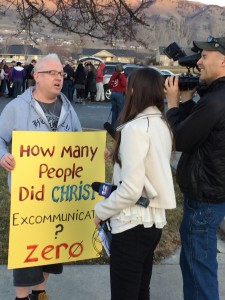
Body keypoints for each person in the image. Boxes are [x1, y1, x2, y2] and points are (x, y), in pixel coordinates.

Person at [0, 53, 82, 300]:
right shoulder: (16, 107)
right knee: (27, 249)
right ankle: (22, 297)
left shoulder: (68, 107)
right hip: (28, 195)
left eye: (61, 74)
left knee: (51, 249)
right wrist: (3, 156)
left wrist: (96, 152)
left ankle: (40, 293)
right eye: (53, 73)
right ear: (37, 76)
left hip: (58, 194)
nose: (59, 78)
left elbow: (79, 142)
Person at [94, 67, 176, 300]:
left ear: (133, 90)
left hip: (131, 223)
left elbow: (130, 189)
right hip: (153, 223)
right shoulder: (162, 124)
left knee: (125, 293)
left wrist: (100, 211)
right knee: (141, 290)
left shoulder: (135, 128)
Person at [165, 36, 225, 300]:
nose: (199, 62)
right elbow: (202, 132)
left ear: (222, 61)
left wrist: (173, 105)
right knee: (194, 265)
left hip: (204, 200)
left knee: (198, 271)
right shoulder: (215, 98)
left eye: (205, 56)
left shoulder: (216, 101)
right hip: (212, 195)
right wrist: (189, 103)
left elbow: (181, 138)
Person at [108, 64, 127, 129]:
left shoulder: (113, 75)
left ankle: (113, 125)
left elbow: (109, 84)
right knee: (120, 111)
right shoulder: (122, 76)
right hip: (119, 94)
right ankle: (119, 126)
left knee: (114, 110)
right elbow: (124, 84)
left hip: (113, 93)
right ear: (121, 69)